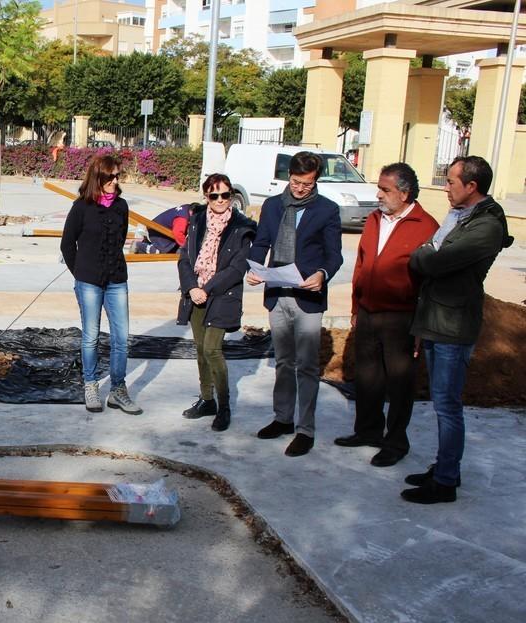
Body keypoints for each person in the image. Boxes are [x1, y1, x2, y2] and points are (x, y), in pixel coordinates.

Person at [402, 156, 513, 503]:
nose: (446, 187)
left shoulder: (487, 226)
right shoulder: (461, 216)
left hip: (453, 324)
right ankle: (445, 466)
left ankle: (447, 481)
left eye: (451, 182)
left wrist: (424, 256)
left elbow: (433, 259)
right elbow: (430, 254)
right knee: (441, 402)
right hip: (436, 319)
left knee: (448, 405)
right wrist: (427, 255)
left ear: (472, 186)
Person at [334, 163, 438, 467]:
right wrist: (355, 306)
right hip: (368, 312)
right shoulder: (376, 219)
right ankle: (367, 431)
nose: (378, 194)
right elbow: (362, 264)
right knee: (367, 377)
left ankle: (395, 442)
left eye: (385, 189)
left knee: (400, 382)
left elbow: (430, 283)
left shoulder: (426, 226)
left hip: (401, 318)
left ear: (404, 193)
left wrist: (421, 325)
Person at [247, 151, 343, 456]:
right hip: (277, 293)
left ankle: (305, 429)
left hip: (307, 297)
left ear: (316, 179)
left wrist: (322, 274)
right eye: (296, 182)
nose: (300, 188)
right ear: (288, 177)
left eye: (307, 183)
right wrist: (253, 268)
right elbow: (262, 242)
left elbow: (334, 254)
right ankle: (283, 418)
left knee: (307, 366)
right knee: (284, 362)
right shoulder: (273, 206)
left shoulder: (327, 210)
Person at [60, 154, 142, 415]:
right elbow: (67, 244)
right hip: (89, 282)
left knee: (121, 338)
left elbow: (119, 242)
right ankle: (91, 384)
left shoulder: (122, 206)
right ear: (98, 177)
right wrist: (80, 274)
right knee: (91, 336)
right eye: (109, 176)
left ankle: (118, 390)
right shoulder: (81, 207)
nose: (114, 181)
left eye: (118, 176)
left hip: (117, 280)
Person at [177, 174, 256, 431]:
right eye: (214, 195)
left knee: (212, 349)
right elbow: (184, 259)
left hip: (223, 295)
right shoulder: (197, 221)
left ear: (231, 195)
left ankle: (224, 406)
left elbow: (237, 268)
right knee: (200, 349)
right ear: (206, 197)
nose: (221, 200)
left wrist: (206, 289)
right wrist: (191, 287)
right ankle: (206, 399)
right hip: (196, 293)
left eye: (225, 194)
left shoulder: (241, 226)